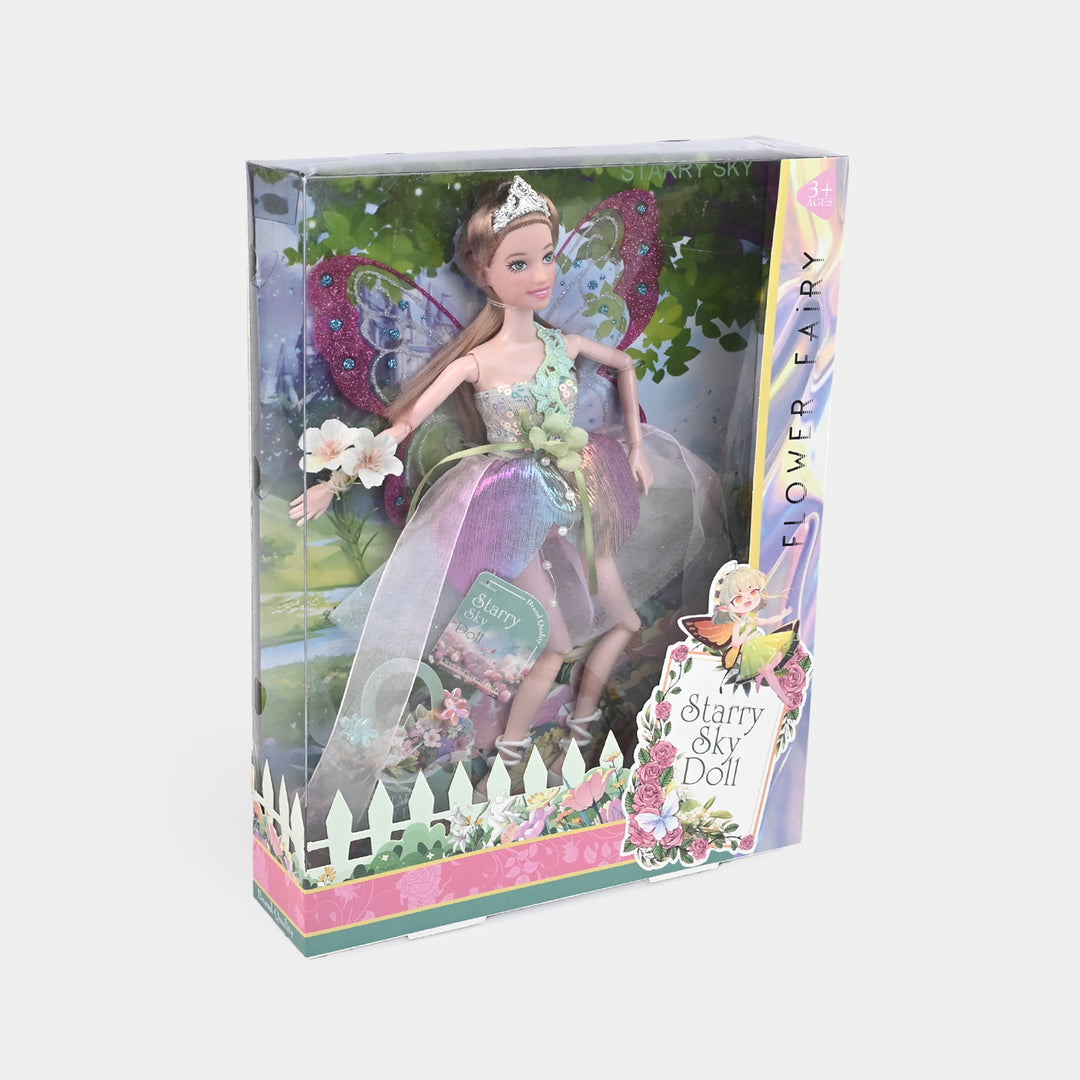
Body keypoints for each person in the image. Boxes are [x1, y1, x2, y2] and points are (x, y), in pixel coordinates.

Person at [295, 176, 722, 819]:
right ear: (484, 273)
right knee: (550, 641)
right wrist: (333, 484)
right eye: (519, 264)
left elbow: (625, 365)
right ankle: (506, 762)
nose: (541, 274)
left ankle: (582, 730)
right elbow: (402, 425)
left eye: (546, 257)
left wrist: (635, 447)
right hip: (511, 504)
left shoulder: (564, 345)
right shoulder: (475, 363)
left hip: (580, 484)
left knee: (625, 620)